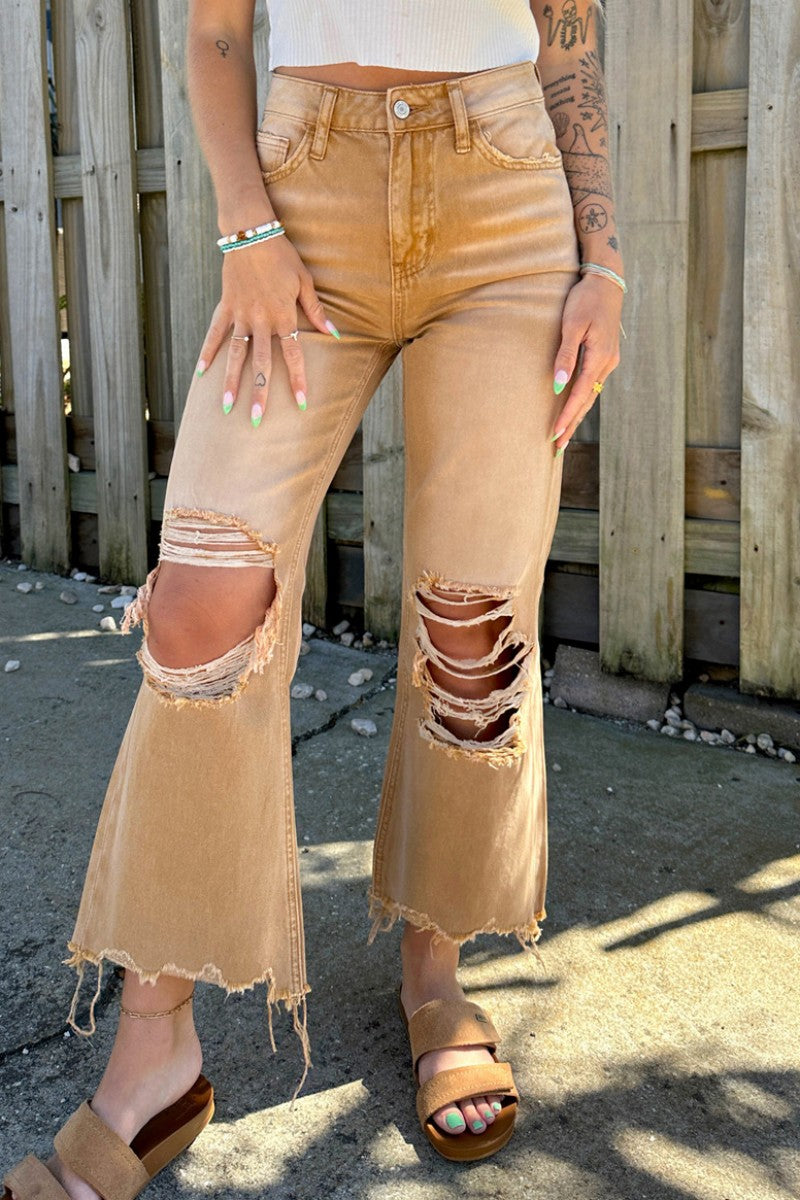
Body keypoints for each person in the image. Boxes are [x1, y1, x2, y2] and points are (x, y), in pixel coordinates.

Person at [3, 1, 624, 1194]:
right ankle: (155, 1047)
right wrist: (247, 226)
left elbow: (566, 37)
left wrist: (601, 259)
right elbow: (218, 33)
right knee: (198, 607)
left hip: (505, 204)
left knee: (471, 629)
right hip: (303, 194)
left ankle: (434, 972)